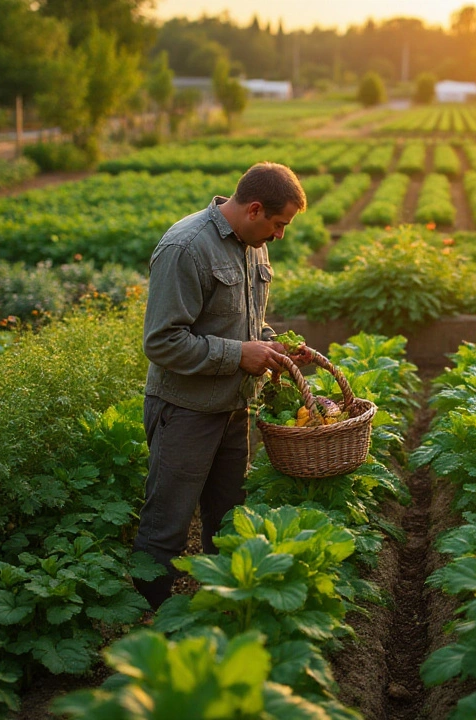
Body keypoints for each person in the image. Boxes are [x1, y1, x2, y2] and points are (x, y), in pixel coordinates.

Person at [132, 161, 309, 609]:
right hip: (186, 409)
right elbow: (163, 342)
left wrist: (272, 347)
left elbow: (244, 324)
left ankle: (222, 610)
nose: (280, 236)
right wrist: (238, 355)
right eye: (279, 224)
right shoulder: (186, 247)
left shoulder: (254, 246)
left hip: (233, 409)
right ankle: (148, 624)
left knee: (229, 521)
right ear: (254, 209)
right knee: (167, 525)